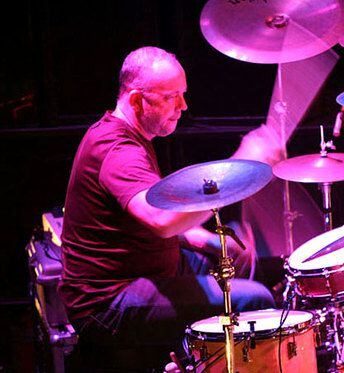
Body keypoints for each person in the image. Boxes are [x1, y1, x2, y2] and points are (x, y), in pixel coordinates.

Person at [58, 46, 282, 371]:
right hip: (107, 302)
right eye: (171, 97)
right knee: (256, 299)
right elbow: (162, 221)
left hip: (140, 273)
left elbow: (144, 217)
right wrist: (242, 164)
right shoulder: (116, 149)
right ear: (136, 100)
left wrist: (205, 241)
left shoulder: (129, 136)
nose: (183, 106)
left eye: (183, 95)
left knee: (249, 265)